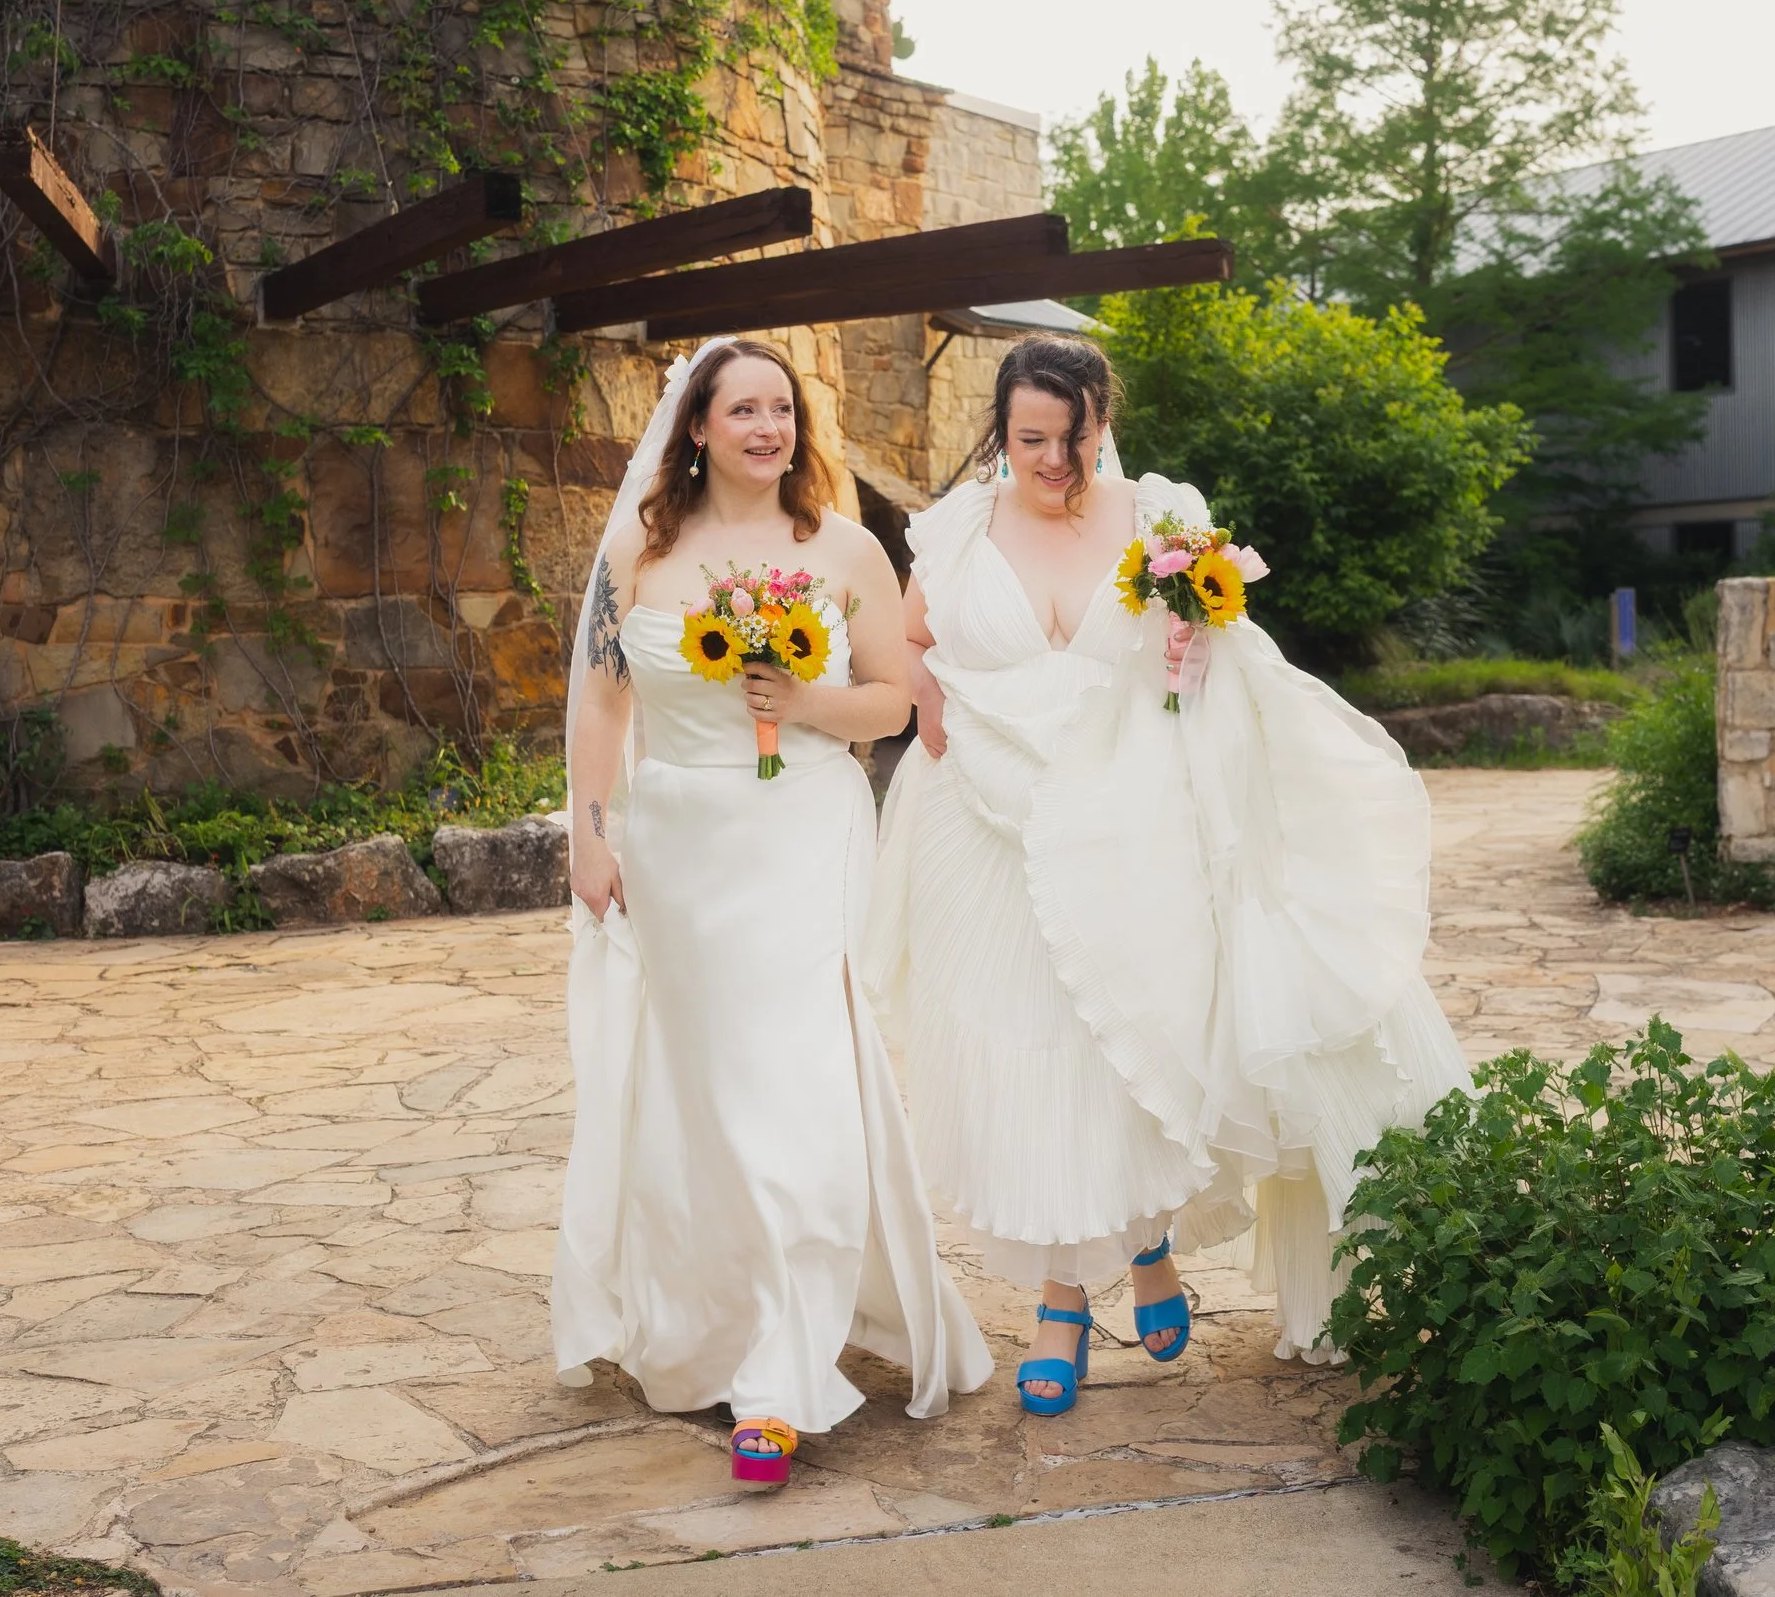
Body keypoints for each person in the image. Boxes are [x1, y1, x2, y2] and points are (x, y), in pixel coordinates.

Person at [868, 334, 1472, 1416]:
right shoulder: (959, 526)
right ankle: (1088, 1282)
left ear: (1105, 419)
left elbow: (1210, 638)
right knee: (1034, 1056)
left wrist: (1193, 651)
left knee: (1121, 1040)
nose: (1054, 459)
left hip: (1125, 816)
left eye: (1074, 434)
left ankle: (1117, 1262)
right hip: (984, 823)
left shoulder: (1159, 515)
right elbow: (914, 633)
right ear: (1002, 433)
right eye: (1030, 438)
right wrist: (926, 698)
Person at [552, 337, 993, 1484]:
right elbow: (602, 701)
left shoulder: (845, 548)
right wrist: (587, 830)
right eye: (740, 408)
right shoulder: (636, 552)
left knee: (789, 1086)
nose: (766, 426)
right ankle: (721, 1319)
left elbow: (892, 704)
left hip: (800, 830)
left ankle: (780, 1373)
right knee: (705, 1098)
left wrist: (799, 698)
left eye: (781, 409)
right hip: (678, 843)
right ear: (693, 427)